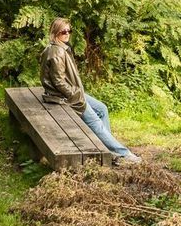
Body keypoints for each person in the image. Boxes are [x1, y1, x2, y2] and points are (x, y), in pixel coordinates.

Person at [40, 17, 141, 165]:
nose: (67, 34)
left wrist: (76, 92)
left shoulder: (59, 48)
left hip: (71, 93)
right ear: (55, 33)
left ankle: (109, 151)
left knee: (102, 109)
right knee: (95, 121)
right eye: (63, 31)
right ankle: (123, 154)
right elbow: (58, 82)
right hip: (63, 97)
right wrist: (75, 95)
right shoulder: (57, 52)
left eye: (69, 30)